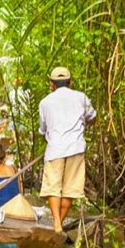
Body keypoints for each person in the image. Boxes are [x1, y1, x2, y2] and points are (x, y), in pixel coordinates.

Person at [38, 67, 96, 232]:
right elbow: (92, 117)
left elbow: (43, 129)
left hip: (55, 149)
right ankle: (59, 224)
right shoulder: (81, 97)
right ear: (70, 83)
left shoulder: (45, 102)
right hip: (75, 148)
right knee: (70, 190)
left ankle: (57, 223)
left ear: (52, 84)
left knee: (53, 188)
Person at [0, 142, 36, 221]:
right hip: (20, 208)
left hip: (5, 211)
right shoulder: (13, 167)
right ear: (3, 155)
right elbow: (19, 190)